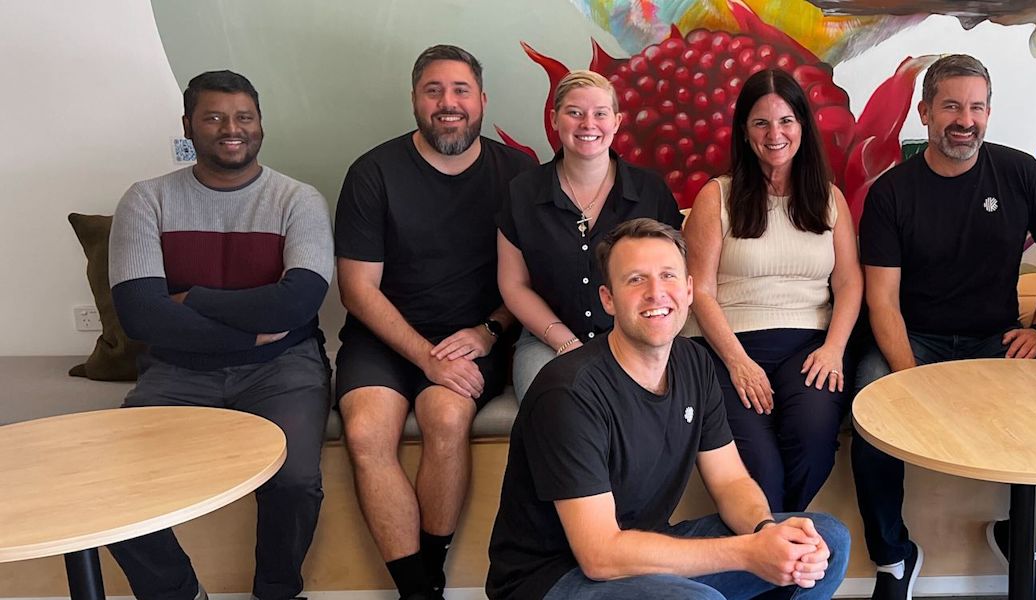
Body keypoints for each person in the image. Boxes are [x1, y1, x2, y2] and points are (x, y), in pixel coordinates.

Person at [486, 218, 850, 600]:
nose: (656, 293)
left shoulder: (694, 362)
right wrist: (747, 553)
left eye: (668, 276)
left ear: (690, 290)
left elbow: (731, 482)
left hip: (644, 547)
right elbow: (599, 555)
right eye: (636, 280)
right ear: (608, 299)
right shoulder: (568, 392)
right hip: (554, 577)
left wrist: (763, 532)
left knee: (824, 541)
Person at [854, 54, 1036, 600]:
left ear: (989, 113)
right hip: (913, 340)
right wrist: (910, 380)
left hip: (994, 340)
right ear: (925, 112)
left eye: (977, 107)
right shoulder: (891, 192)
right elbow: (882, 302)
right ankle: (892, 559)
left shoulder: (1020, 172)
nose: (965, 119)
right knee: (870, 404)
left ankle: (1029, 542)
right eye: (951, 105)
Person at [107, 70, 333, 600]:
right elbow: (141, 315)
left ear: (260, 125)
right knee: (117, 491)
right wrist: (251, 333)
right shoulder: (146, 201)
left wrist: (195, 299)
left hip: (285, 369)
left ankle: (277, 590)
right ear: (188, 126)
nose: (231, 129)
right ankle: (181, 593)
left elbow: (299, 301)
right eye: (213, 117)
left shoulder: (298, 200)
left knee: (296, 481)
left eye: (244, 117)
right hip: (177, 372)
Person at [334, 44, 533, 600]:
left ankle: (432, 570)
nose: (448, 103)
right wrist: (425, 356)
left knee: (447, 420)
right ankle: (418, 590)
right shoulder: (373, 172)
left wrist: (489, 330)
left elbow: (532, 279)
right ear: (416, 101)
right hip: (383, 340)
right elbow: (357, 290)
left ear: (483, 101)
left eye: (460, 90)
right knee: (365, 433)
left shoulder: (517, 173)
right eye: (434, 91)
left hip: (474, 340)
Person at [682, 67, 863, 513]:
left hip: (810, 347)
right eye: (761, 122)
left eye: (786, 121)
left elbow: (848, 281)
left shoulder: (829, 198)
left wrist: (835, 348)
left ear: (802, 125)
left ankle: (773, 550)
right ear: (744, 132)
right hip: (728, 348)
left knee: (814, 439)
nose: (775, 133)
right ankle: (782, 561)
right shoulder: (716, 197)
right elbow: (699, 290)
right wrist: (738, 363)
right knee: (758, 469)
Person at [498, 69, 683, 402]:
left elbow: (676, 278)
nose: (588, 124)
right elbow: (513, 285)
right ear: (554, 120)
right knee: (556, 409)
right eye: (574, 113)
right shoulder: (522, 193)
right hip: (546, 341)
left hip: (637, 338)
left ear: (616, 121)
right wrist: (565, 343)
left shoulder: (650, 192)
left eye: (600, 113)